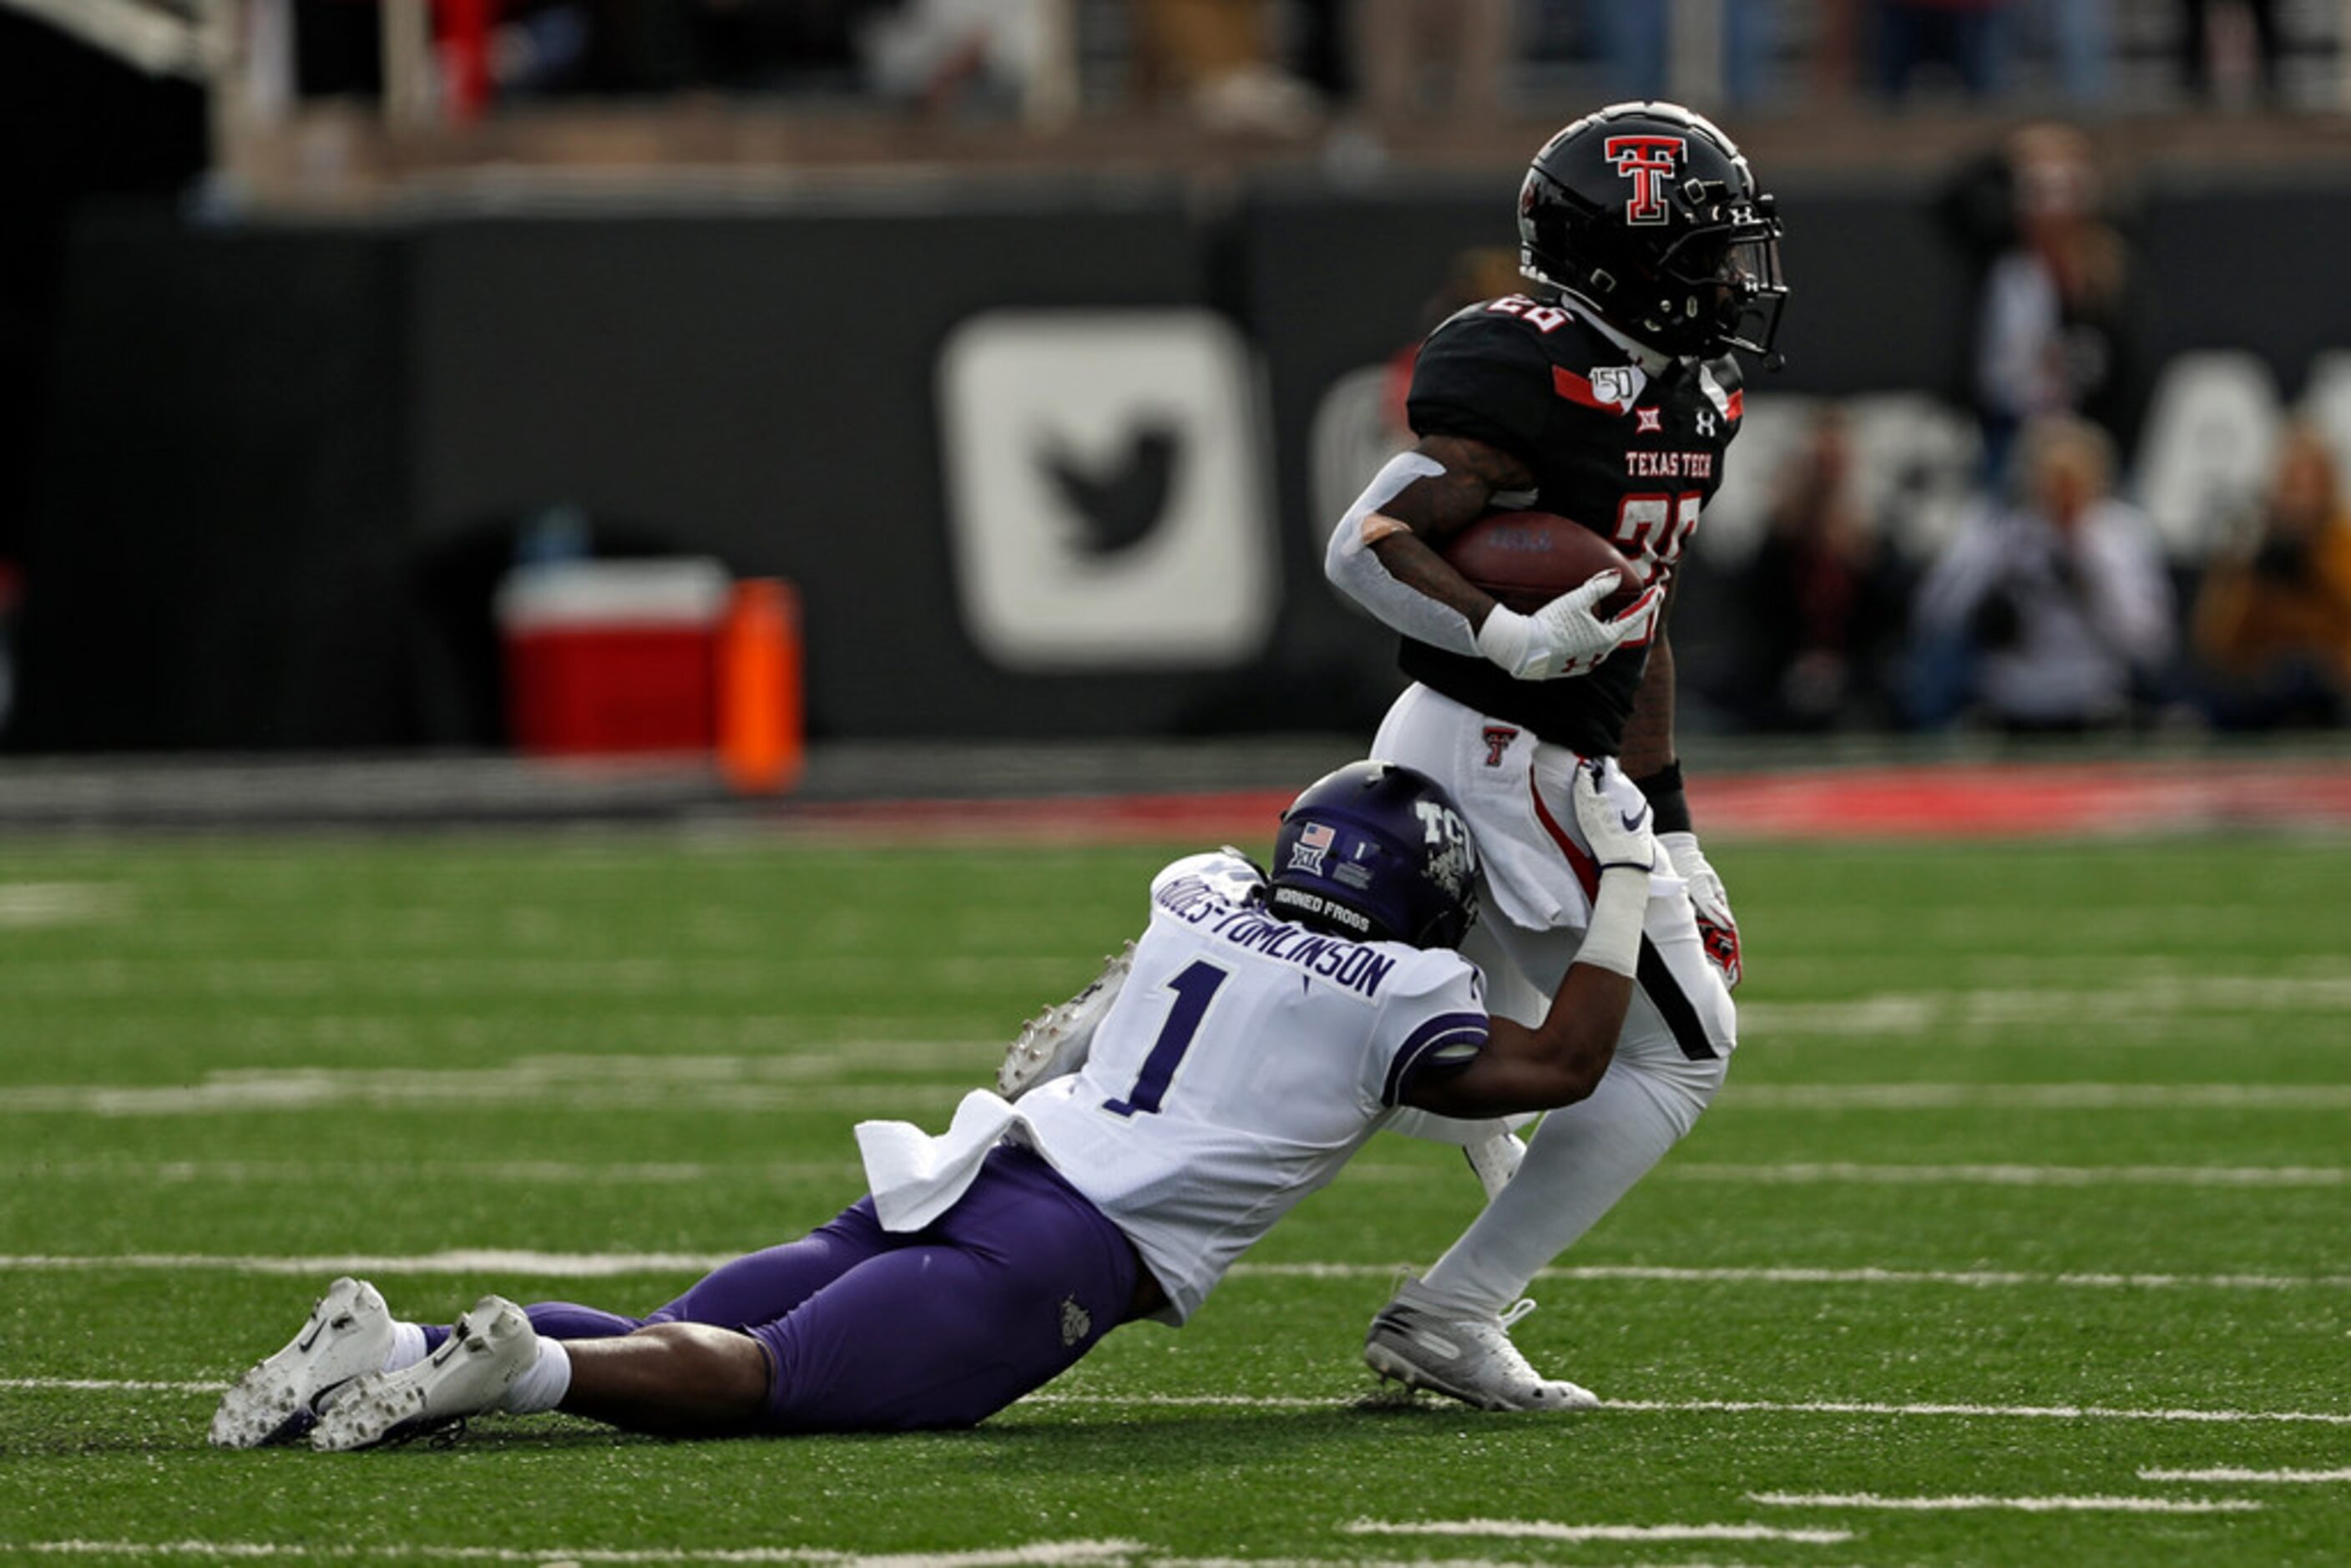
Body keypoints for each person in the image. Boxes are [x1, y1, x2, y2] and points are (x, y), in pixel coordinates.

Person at [209, 760, 1661, 1450]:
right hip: (1061, 1249)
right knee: (763, 1387)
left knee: (694, 1330)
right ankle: (521, 1367)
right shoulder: (1395, 989)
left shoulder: (1200, 890)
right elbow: (1567, 1061)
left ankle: (390, 1340)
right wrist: (1624, 880)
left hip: (971, 1166)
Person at [1321, 101, 1784, 1409]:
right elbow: (1363, 542)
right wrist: (1506, 631)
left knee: (1437, 1032)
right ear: (1618, 257)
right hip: (1505, 747)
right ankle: (1451, 1314)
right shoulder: (1528, 363)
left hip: (1533, 745)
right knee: (1678, 1050)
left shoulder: (1700, 390)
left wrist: (1676, 826)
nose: (1734, 279)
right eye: (1705, 251)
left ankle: (1160, 1009)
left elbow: (1642, 613)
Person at [1905, 414, 2175, 732]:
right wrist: (1987, 566)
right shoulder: (1998, 533)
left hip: (2093, 702)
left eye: (2073, 480)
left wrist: (2087, 563)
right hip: (2011, 701)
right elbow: (1935, 616)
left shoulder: (2121, 537)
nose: (2061, 494)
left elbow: (2150, 643)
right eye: (2051, 480)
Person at [2190, 422, 2351, 730]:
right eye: (2292, 484)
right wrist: (2244, 571)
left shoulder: (2341, 541)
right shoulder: (2259, 544)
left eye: (2311, 484)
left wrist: (2314, 554)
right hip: (2267, 690)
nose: (2301, 498)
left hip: (2335, 688)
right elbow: (2218, 645)